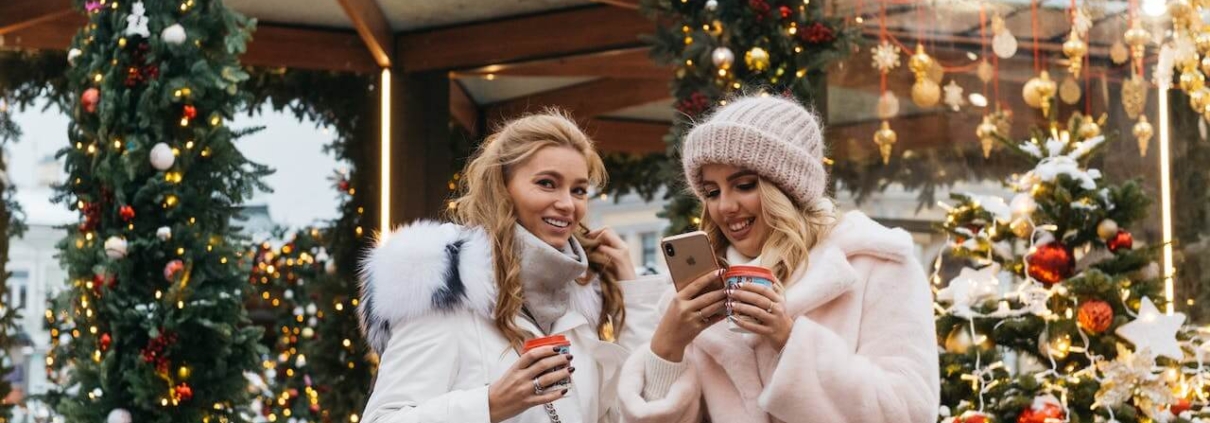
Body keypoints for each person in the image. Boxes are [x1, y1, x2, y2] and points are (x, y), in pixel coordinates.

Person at [618, 95, 940, 422]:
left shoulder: (876, 265)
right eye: (712, 192)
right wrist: (667, 348)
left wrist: (788, 338)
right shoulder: (699, 297)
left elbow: (909, 410)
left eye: (743, 185)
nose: (725, 206)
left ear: (788, 188)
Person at [358, 111, 668, 423]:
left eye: (578, 190)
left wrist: (631, 290)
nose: (567, 204)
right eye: (547, 183)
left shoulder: (576, 303)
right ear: (502, 188)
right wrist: (490, 404)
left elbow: (635, 411)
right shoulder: (449, 291)